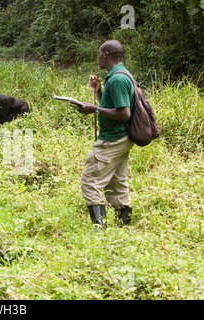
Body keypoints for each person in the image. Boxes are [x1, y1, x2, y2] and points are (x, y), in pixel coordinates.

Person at [77, 40, 135, 229]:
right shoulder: (118, 75)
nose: (98, 56)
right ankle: (123, 227)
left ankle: (100, 230)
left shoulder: (118, 79)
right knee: (116, 182)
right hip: (121, 137)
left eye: (100, 53)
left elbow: (124, 113)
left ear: (106, 54)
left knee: (90, 180)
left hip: (113, 139)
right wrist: (98, 91)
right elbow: (112, 106)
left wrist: (94, 109)